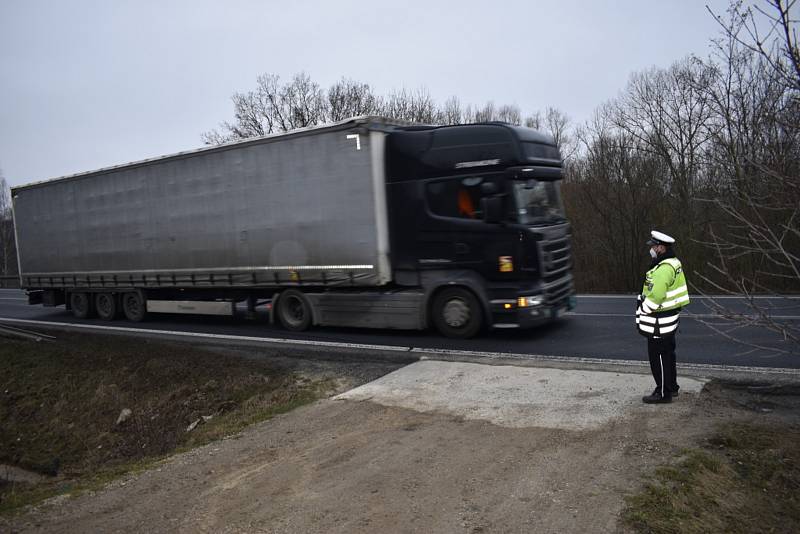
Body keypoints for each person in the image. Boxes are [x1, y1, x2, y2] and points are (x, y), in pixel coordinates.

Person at [636, 230, 690, 404]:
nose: (650, 249)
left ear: (660, 248)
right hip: (668, 320)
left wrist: (643, 309)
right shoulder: (674, 263)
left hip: (658, 321)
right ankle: (672, 387)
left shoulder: (663, 268)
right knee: (668, 354)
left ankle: (662, 393)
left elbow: (656, 296)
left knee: (658, 356)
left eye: (653, 246)